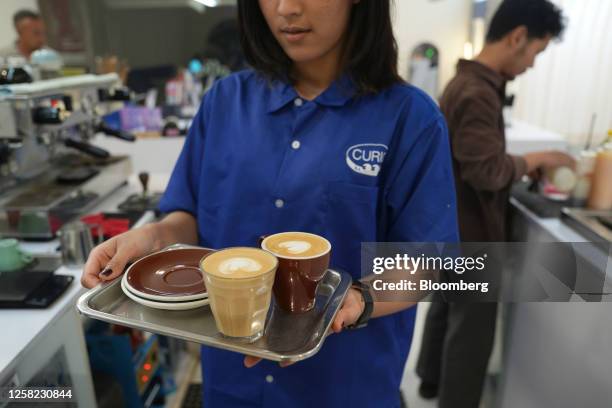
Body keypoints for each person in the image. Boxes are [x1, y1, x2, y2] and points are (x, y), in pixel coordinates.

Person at [82, 1, 459, 406]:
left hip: (344, 384)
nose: (286, 8)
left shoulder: (410, 118)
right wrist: (153, 237)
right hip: (231, 381)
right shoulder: (225, 102)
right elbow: (188, 214)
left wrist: (357, 298)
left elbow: (427, 262)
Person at [416, 1, 574, 407]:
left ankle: (429, 385)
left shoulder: (468, 83)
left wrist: (524, 164)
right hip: (473, 235)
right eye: (537, 52)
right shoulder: (477, 92)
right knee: (470, 337)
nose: (534, 65)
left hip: (456, 228)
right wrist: (537, 160)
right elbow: (485, 170)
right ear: (517, 37)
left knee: (446, 315)